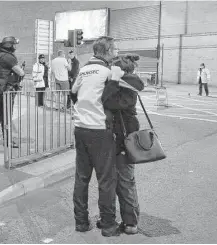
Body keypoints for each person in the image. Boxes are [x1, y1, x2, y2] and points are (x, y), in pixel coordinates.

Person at [70, 36, 122, 237]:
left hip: (81, 128)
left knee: (82, 178)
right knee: (106, 179)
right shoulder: (108, 72)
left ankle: (81, 222)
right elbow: (111, 99)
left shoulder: (83, 70)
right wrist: (116, 79)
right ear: (107, 51)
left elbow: (73, 95)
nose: (116, 52)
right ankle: (108, 225)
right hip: (100, 131)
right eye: (114, 49)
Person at [101, 54, 145, 235]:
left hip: (123, 141)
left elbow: (109, 101)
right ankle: (111, 218)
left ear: (122, 71)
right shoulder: (119, 84)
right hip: (112, 139)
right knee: (111, 182)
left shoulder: (128, 85)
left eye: (113, 68)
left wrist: (110, 83)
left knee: (125, 181)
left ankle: (130, 222)